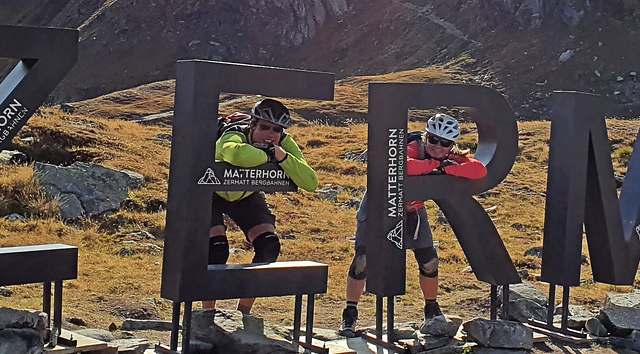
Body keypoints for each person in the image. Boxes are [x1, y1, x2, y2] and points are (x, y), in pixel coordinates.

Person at [342, 112, 486, 335]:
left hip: (413, 210)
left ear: (451, 145)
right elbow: (403, 166)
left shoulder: (449, 157)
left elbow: (479, 170)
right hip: (379, 206)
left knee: (429, 260)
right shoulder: (411, 146)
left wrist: (448, 167)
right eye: (433, 140)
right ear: (426, 136)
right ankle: (349, 314)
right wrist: (435, 166)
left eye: (445, 143)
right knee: (363, 259)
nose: (438, 146)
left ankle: (432, 309)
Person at [205, 97, 318, 320]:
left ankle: (244, 312)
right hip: (210, 192)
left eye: (276, 130)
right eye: (264, 127)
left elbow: (310, 181)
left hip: (246, 194)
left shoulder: (284, 142)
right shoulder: (234, 132)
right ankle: (206, 315)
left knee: (269, 246)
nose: (270, 134)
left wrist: (282, 155)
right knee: (217, 249)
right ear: (252, 125)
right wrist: (270, 153)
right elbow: (234, 154)